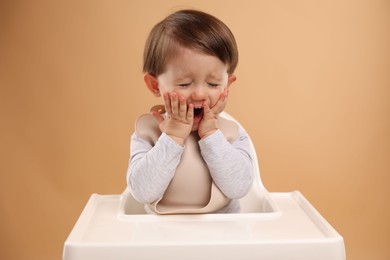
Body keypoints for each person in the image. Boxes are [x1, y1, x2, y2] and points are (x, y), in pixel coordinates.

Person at [126, 9, 254, 214]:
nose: (200, 94)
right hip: (160, 233)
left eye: (213, 83)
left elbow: (239, 188)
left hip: (222, 232)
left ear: (227, 85)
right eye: (185, 84)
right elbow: (142, 192)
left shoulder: (231, 133)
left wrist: (212, 135)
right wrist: (172, 137)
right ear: (155, 85)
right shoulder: (147, 132)